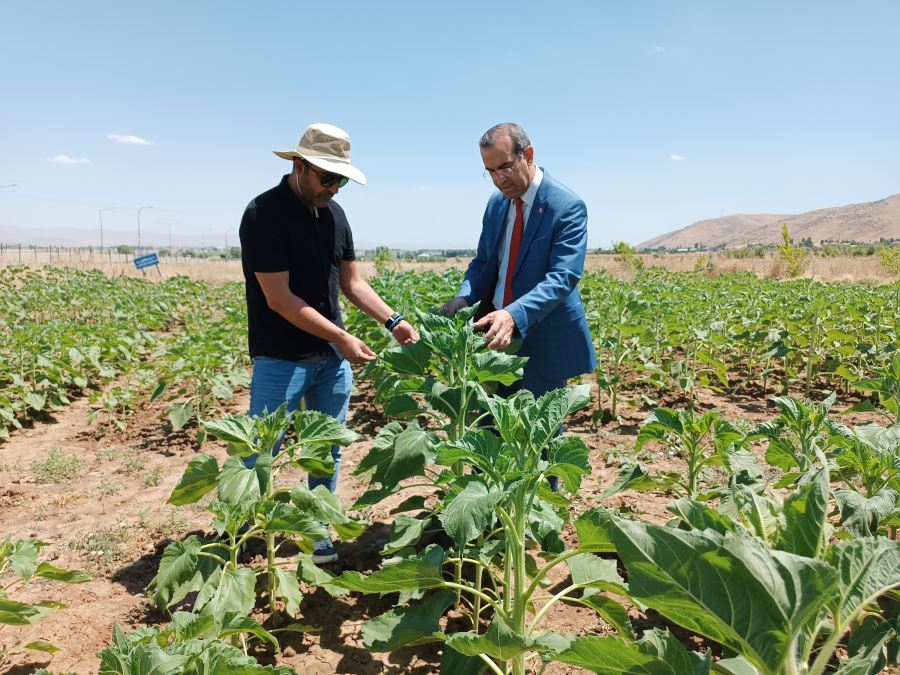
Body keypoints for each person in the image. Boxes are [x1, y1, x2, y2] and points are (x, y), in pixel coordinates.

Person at [239, 122, 418, 563]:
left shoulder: (335, 215)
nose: (334, 188)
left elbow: (352, 283)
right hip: (281, 356)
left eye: (340, 180)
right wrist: (342, 337)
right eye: (327, 177)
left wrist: (392, 320)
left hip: (329, 359)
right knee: (263, 448)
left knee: (327, 448)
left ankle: (317, 527)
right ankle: (240, 533)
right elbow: (280, 300)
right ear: (300, 165)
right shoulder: (264, 213)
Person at [442, 122, 596, 402]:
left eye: (505, 167)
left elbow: (563, 277)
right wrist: (463, 299)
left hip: (543, 339)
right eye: (490, 172)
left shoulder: (566, 206)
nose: (499, 180)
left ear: (528, 154)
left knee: (537, 435)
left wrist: (514, 314)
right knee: (490, 429)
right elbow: (483, 262)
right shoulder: (496, 204)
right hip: (495, 334)